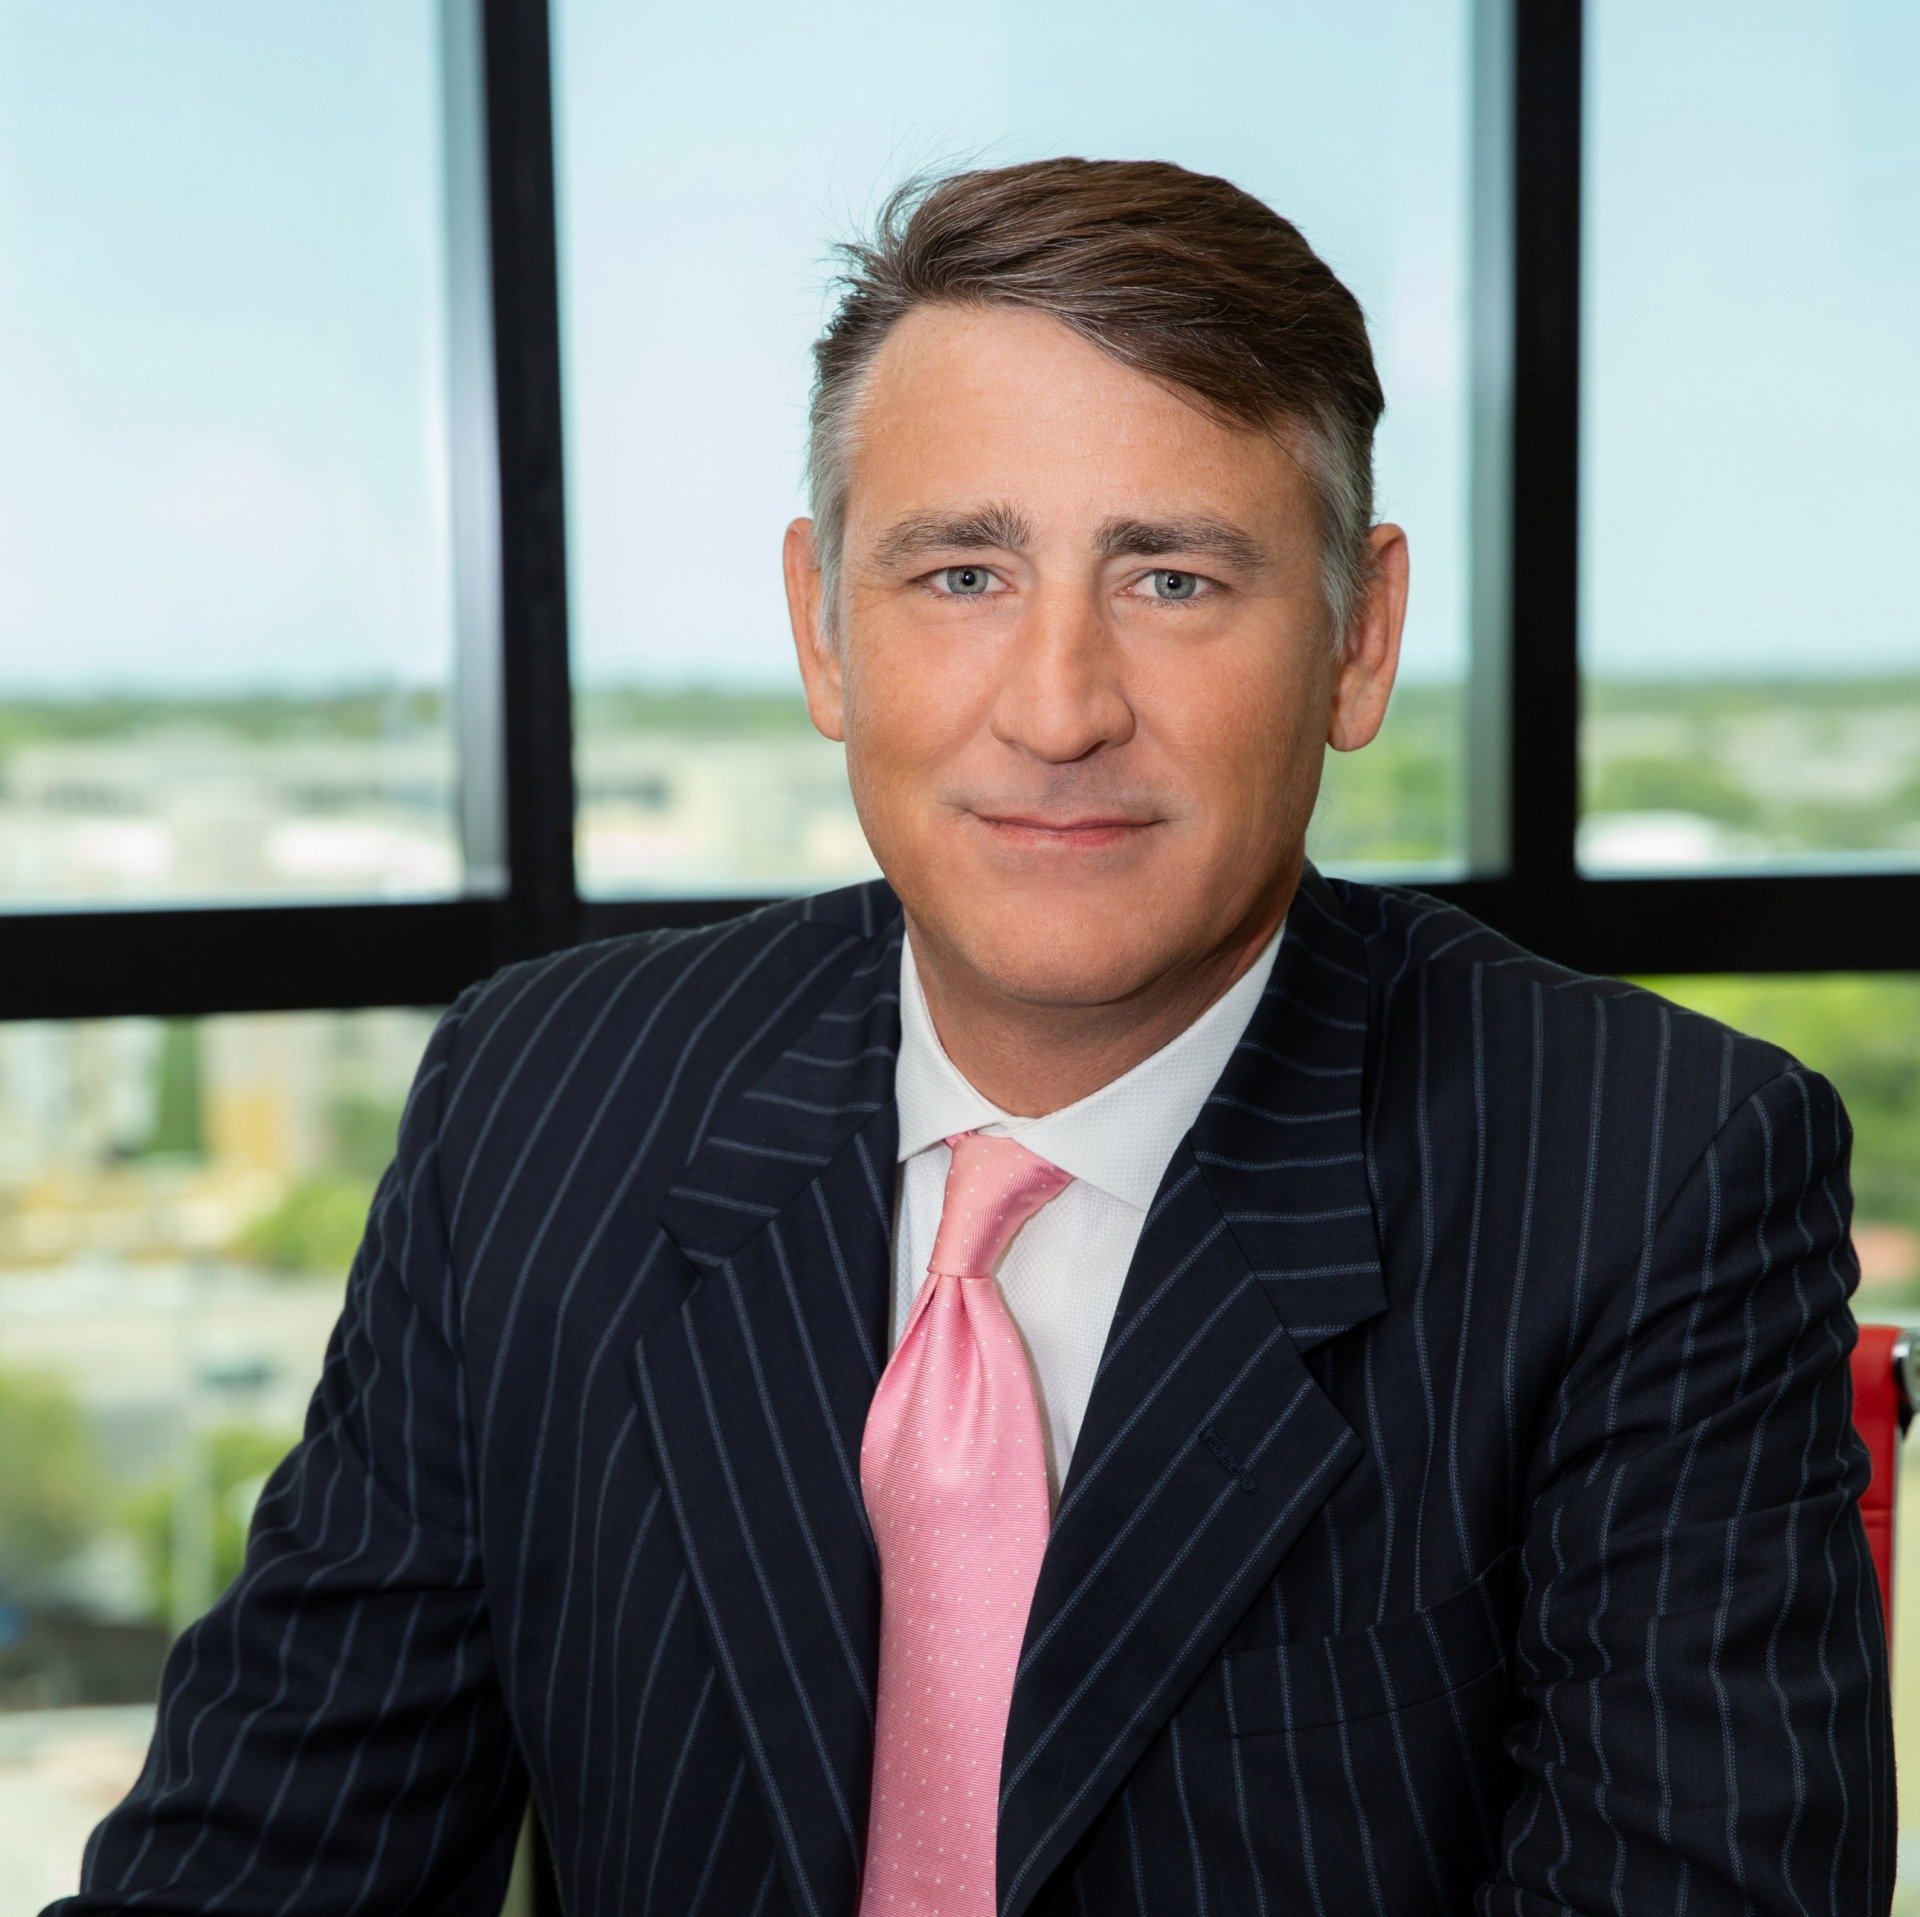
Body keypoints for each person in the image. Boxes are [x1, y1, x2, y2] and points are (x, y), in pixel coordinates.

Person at [52, 157, 1891, 1917]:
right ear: (821, 627)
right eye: (961, 575)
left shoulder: (1654, 1177)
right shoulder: (539, 1102)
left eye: (1174, 578)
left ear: (1358, 636)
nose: (1059, 707)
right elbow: (269, 1853)